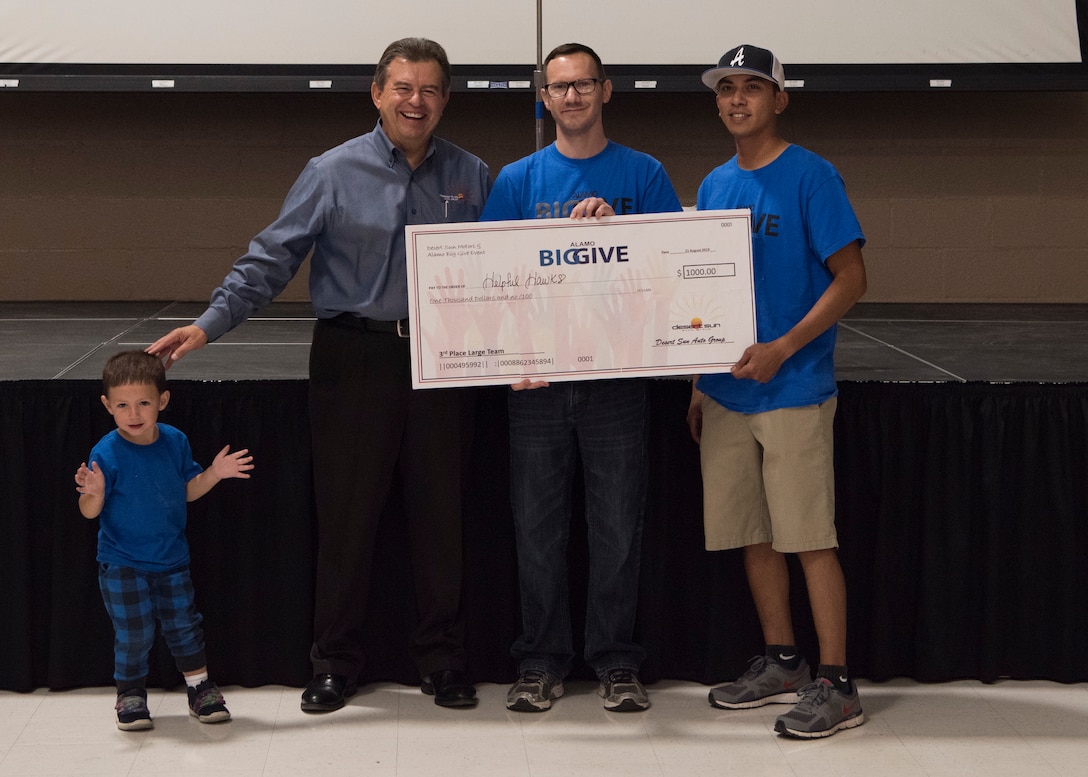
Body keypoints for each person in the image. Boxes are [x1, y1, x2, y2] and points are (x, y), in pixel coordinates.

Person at [146, 37, 491, 712]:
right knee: (347, 517)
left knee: (441, 516)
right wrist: (209, 323)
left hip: (445, 357)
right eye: (402, 87)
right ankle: (334, 661)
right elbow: (270, 260)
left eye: (428, 89)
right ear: (376, 92)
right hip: (353, 357)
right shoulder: (331, 171)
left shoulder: (473, 174)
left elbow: (507, 271)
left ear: (446, 99)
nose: (414, 101)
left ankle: (443, 658)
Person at [481, 42, 682, 713]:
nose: (572, 96)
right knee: (537, 528)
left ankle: (616, 661)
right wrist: (508, 358)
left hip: (618, 380)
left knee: (617, 527)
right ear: (544, 97)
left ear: (606, 90)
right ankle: (540, 659)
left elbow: (668, 276)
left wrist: (620, 234)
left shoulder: (646, 173)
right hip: (537, 382)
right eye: (559, 87)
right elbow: (492, 281)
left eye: (584, 84)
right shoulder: (517, 180)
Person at [687, 44, 868, 738]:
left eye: (752, 88)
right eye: (726, 88)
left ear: (778, 100)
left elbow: (851, 279)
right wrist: (700, 383)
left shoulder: (812, 176)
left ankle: (838, 683)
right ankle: (785, 660)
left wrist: (784, 348)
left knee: (808, 538)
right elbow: (702, 293)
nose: (737, 99)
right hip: (729, 392)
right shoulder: (713, 184)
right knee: (754, 535)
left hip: (793, 386)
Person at [75, 350, 254, 730]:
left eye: (143, 403)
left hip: (172, 560)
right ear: (107, 405)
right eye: (122, 405)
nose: (134, 414)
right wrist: (95, 493)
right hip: (122, 562)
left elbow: (187, 490)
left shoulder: (175, 441)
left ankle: (199, 689)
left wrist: (214, 473)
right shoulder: (105, 452)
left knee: (184, 626)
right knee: (134, 633)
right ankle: (131, 695)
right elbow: (88, 512)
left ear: (163, 401)